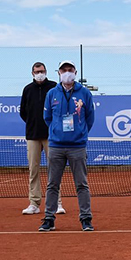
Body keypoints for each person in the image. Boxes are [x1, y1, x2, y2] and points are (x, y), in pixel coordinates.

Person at [38, 61, 95, 231]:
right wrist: (56, 132)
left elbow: (90, 118)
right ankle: (49, 218)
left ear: (75, 72)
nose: (67, 73)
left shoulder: (84, 93)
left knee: (81, 184)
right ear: (59, 73)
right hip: (56, 146)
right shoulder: (52, 94)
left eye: (70, 70)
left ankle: (86, 218)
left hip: (77, 146)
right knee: (52, 184)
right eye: (64, 70)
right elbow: (47, 117)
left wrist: (80, 133)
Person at [20, 62, 64, 215]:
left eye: (43, 71)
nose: (40, 73)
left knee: (54, 169)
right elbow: (23, 112)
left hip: (51, 136)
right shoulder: (27, 89)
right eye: (37, 71)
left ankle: (57, 203)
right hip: (32, 136)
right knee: (33, 170)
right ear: (32, 73)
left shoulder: (54, 87)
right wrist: (33, 123)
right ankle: (34, 203)